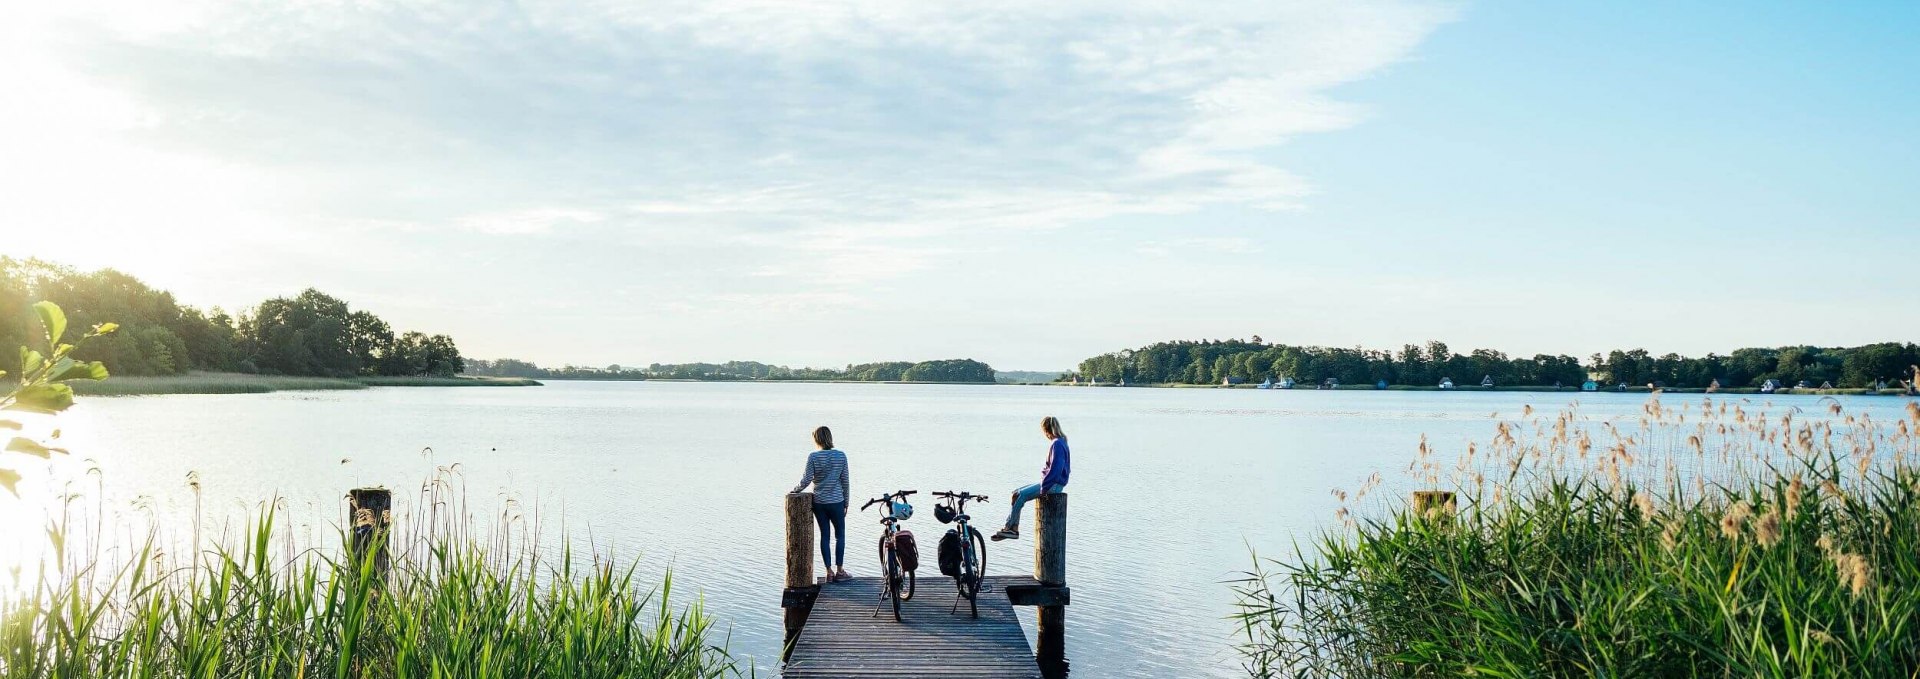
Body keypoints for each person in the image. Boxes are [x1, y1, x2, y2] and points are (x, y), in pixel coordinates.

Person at [992, 416, 1070, 541]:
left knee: (1020, 495)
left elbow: (1056, 469)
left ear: (1046, 430)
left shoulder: (1057, 444)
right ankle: (1013, 528)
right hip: (1052, 483)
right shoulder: (1061, 442)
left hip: (1053, 485)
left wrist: (1044, 488)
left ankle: (1010, 528)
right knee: (1016, 493)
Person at [792, 426, 852, 582]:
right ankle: (840, 571)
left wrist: (795, 490)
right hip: (837, 502)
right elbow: (845, 481)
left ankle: (829, 571)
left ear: (817, 439)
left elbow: (806, 480)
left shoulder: (813, 457)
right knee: (840, 536)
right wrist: (846, 501)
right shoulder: (841, 456)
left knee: (825, 536)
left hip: (819, 502)